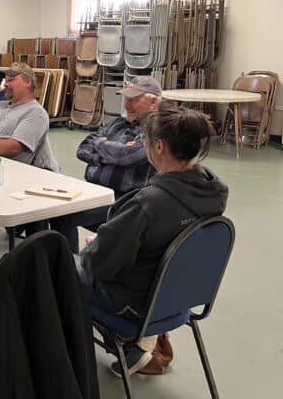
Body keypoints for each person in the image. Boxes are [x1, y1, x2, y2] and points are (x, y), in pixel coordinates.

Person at [76, 106, 227, 377]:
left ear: (158, 146)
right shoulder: (213, 193)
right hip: (177, 299)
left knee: (57, 266)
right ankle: (137, 347)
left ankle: (70, 352)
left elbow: (98, 266)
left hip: (134, 303)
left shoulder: (147, 204)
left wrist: (94, 246)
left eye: (144, 140)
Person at [51, 76, 161, 253]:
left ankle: (69, 268)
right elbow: (83, 149)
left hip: (124, 202)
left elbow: (130, 156)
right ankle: (68, 263)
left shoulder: (156, 128)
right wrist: (106, 156)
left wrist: (102, 144)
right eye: (126, 99)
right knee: (56, 208)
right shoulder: (117, 123)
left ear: (153, 102)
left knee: (64, 214)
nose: (127, 105)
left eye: (133, 99)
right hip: (95, 191)